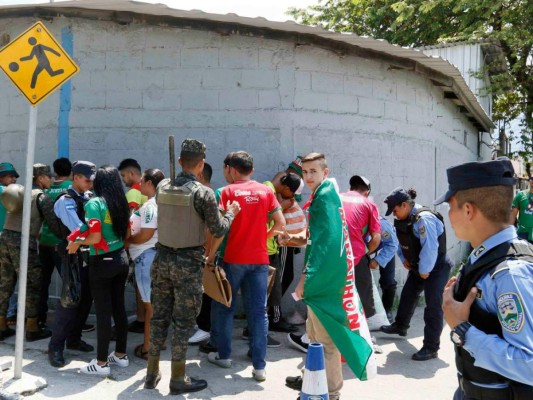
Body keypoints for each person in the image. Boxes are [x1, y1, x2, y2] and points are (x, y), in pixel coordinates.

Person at [145, 139, 240, 395]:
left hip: (162, 259)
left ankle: (151, 373)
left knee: (159, 318)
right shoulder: (203, 193)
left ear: (179, 161)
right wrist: (231, 212)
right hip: (188, 264)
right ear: (201, 164)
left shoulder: (162, 185)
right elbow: (218, 228)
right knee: (184, 323)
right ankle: (178, 377)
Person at [436, 158, 533, 399]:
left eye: (450, 206)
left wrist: (462, 330)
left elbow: (529, 364)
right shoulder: (485, 254)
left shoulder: (510, 274)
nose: (448, 214)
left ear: (468, 210)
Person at [282, 153, 374, 400]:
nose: (309, 176)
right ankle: (313, 382)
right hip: (328, 279)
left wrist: (304, 278)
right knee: (315, 338)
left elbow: (326, 245)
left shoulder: (323, 199)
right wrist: (290, 238)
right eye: (306, 172)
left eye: (314, 171)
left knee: (326, 341)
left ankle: (331, 393)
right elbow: (315, 236)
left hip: (325, 282)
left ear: (325, 171)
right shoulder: (326, 196)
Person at [209, 151, 284, 382]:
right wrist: (263, 236)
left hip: (232, 259)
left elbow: (219, 229)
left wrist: (209, 256)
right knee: (258, 312)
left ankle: (224, 356)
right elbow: (280, 224)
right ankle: (259, 367)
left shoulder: (225, 192)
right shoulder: (266, 191)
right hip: (260, 259)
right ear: (251, 170)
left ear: (230, 168)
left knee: (224, 307)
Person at [67, 165, 131, 376]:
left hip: (102, 262)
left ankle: (101, 363)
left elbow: (94, 238)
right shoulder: (120, 201)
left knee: (103, 313)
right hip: (121, 258)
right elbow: (127, 232)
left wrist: (77, 243)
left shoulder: (94, 203)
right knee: (119, 309)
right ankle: (120, 355)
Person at [380, 187, 453, 361]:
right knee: (408, 295)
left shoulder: (424, 219)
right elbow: (399, 239)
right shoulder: (405, 219)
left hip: (436, 268)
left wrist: (424, 270)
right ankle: (400, 326)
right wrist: (403, 257)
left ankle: (431, 347)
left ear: (404, 205)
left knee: (433, 306)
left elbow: (430, 247)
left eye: (396, 210)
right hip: (419, 266)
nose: (395, 215)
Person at [48, 160, 96, 368]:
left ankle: (74, 339)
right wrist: (96, 229)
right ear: (75, 177)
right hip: (71, 253)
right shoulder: (65, 201)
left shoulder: (87, 197)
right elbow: (79, 228)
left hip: (87, 253)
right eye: (87, 180)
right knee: (69, 300)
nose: (90, 185)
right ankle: (56, 346)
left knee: (86, 299)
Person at [0, 164, 54, 341]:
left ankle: (1, 326)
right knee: (33, 282)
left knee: (5, 283)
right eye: (48, 177)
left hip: (5, 237)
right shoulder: (41, 196)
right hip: (23, 241)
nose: (51, 180)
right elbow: (54, 224)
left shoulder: (21, 191)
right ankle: (32, 328)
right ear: (40, 178)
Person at [126, 168, 165, 361]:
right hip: (152, 256)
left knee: (150, 307)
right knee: (157, 305)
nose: (139, 184)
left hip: (145, 257)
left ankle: (148, 349)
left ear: (150, 183)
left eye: (142, 181)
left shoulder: (151, 206)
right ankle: (158, 342)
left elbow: (145, 235)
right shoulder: (160, 203)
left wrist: (127, 241)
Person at [38, 157, 73, 330]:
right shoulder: (71, 189)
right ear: (71, 173)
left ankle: (39, 319)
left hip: (44, 240)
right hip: (62, 243)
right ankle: (72, 323)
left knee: (43, 283)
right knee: (70, 283)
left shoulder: (47, 189)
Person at [264, 171, 301, 333]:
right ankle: (274, 318)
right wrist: (282, 207)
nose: (291, 196)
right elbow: (268, 216)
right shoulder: (269, 190)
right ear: (286, 187)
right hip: (272, 246)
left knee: (274, 284)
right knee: (275, 284)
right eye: (291, 192)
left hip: (272, 245)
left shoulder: (272, 190)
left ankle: (267, 320)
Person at [340, 175, 381, 319]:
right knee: (362, 300)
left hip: (331, 256)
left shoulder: (336, 198)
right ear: (367, 193)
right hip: (355, 258)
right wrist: (364, 251)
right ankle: (362, 336)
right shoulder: (369, 204)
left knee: (334, 297)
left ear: (350, 188)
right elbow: (376, 238)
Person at [118, 157, 147, 334]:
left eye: (123, 175)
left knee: (138, 286)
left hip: (136, 247)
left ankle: (142, 319)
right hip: (152, 245)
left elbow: (129, 223)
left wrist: (125, 244)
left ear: (131, 173)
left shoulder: (133, 194)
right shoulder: (153, 190)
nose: (123, 180)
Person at [369, 215, 399, 323]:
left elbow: (392, 245)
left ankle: (387, 310)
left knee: (388, 281)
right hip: (363, 251)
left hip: (385, 248)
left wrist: (378, 260)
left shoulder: (382, 224)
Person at [0, 162, 19, 328]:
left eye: (14, 176)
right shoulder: (7, 192)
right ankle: (10, 312)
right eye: (10, 176)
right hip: (7, 240)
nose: (13, 179)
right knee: (8, 278)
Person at [511, 175, 533, 243]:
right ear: (529, 180)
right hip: (522, 235)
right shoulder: (520, 195)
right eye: (532, 178)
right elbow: (512, 217)